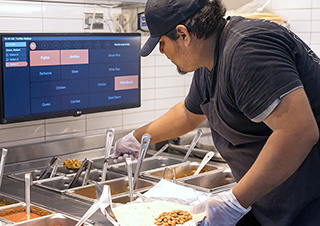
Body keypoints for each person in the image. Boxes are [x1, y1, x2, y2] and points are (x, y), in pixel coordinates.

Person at [112, 0, 320, 225]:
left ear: (183, 35)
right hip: (275, 200)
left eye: (161, 43)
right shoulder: (210, 60)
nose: (162, 51)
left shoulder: (248, 50)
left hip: (309, 202)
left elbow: (298, 132)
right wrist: (137, 138)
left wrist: (235, 202)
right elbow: (188, 113)